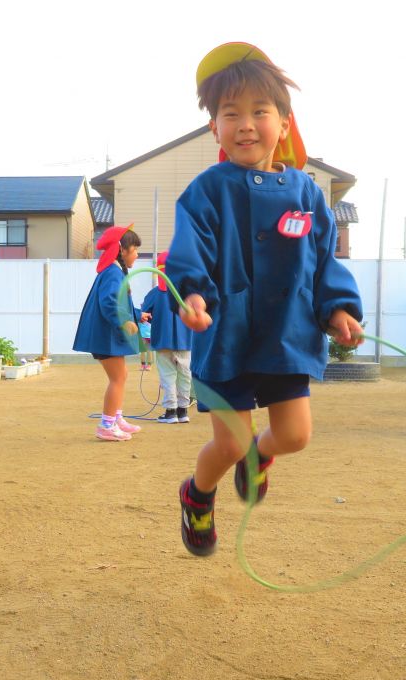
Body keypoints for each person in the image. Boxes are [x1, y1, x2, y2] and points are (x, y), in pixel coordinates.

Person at [165, 42, 364, 556]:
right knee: (225, 443)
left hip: (286, 335)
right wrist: (193, 296)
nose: (246, 124)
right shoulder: (206, 190)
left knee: (295, 436)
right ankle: (197, 494)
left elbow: (324, 261)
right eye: (230, 114)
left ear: (285, 122)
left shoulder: (306, 193)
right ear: (215, 128)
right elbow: (190, 251)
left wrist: (338, 308)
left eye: (260, 111)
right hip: (227, 335)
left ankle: (260, 455)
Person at [73, 224, 150, 442]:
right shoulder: (113, 273)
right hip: (105, 336)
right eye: (134, 249)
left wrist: (136, 314)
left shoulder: (114, 271)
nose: (136, 254)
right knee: (117, 378)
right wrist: (124, 321)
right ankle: (106, 425)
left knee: (121, 376)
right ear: (121, 250)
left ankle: (116, 419)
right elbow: (108, 303)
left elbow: (119, 302)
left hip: (107, 335)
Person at [140, 251, 194, 424]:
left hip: (163, 342)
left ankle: (170, 412)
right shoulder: (188, 293)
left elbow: (144, 313)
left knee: (168, 376)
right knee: (185, 375)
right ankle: (183, 410)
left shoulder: (155, 293)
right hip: (185, 342)